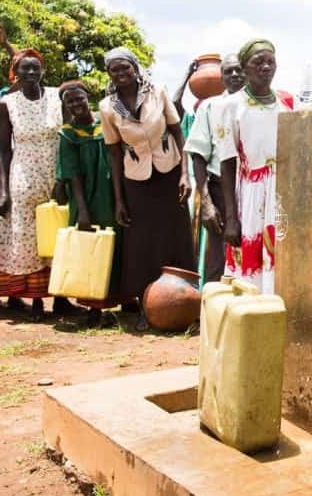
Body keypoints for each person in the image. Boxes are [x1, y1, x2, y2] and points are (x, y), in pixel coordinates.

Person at [99, 47, 194, 330]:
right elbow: (114, 153)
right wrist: (119, 199)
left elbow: (178, 132)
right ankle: (147, 307)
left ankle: (186, 304)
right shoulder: (107, 107)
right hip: (135, 180)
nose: (121, 73)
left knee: (175, 237)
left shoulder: (158, 92)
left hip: (169, 173)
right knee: (141, 245)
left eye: (125, 67)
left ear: (135, 67)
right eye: (115, 69)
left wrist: (185, 175)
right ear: (109, 74)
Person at [0, 49, 65, 319]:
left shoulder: (57, 97)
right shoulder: (6, 104)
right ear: (15, 73)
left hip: (55, 175)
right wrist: (3, 190)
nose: (31, 73)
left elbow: (66, 139)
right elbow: (4, 151)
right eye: (25, 69)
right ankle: (36, 301)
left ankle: (63, 296)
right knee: (29, 238)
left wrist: (63, 178)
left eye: (35, 68)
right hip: (24, 177)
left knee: (58, 234)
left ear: (42, 70)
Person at [220, 39, 293, 294]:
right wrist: (231, 218)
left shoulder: (288, 103)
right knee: (250, 266)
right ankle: (251, 321)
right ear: (244, 68)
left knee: (283, 258)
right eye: (258, 62)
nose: (265, 67)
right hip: (251, 193)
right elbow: (227, 163)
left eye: (270, 61)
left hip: (284, 192)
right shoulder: (230, 105)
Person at [58, 81, 121, 327]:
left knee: (115, 244)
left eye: (79, 98)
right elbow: (72, 173)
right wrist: (82, 210)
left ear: (88, 97)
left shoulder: (105, 122)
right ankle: (93, 308)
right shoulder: (68, 133)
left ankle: (119, 300)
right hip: (85, 196)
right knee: (90, 250)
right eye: (69, 101)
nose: (76, 104)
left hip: (110, 192)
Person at [184, 53, 245, 283]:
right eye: (228, 71)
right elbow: (198, 155)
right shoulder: (210, 107)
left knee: (252, 255)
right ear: (221, 77)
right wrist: (207, 203)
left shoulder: (260, 106)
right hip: (220, 190)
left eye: (239, 69)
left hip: (254, 189)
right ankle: (211, 315)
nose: (235, 75)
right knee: (218, 258)